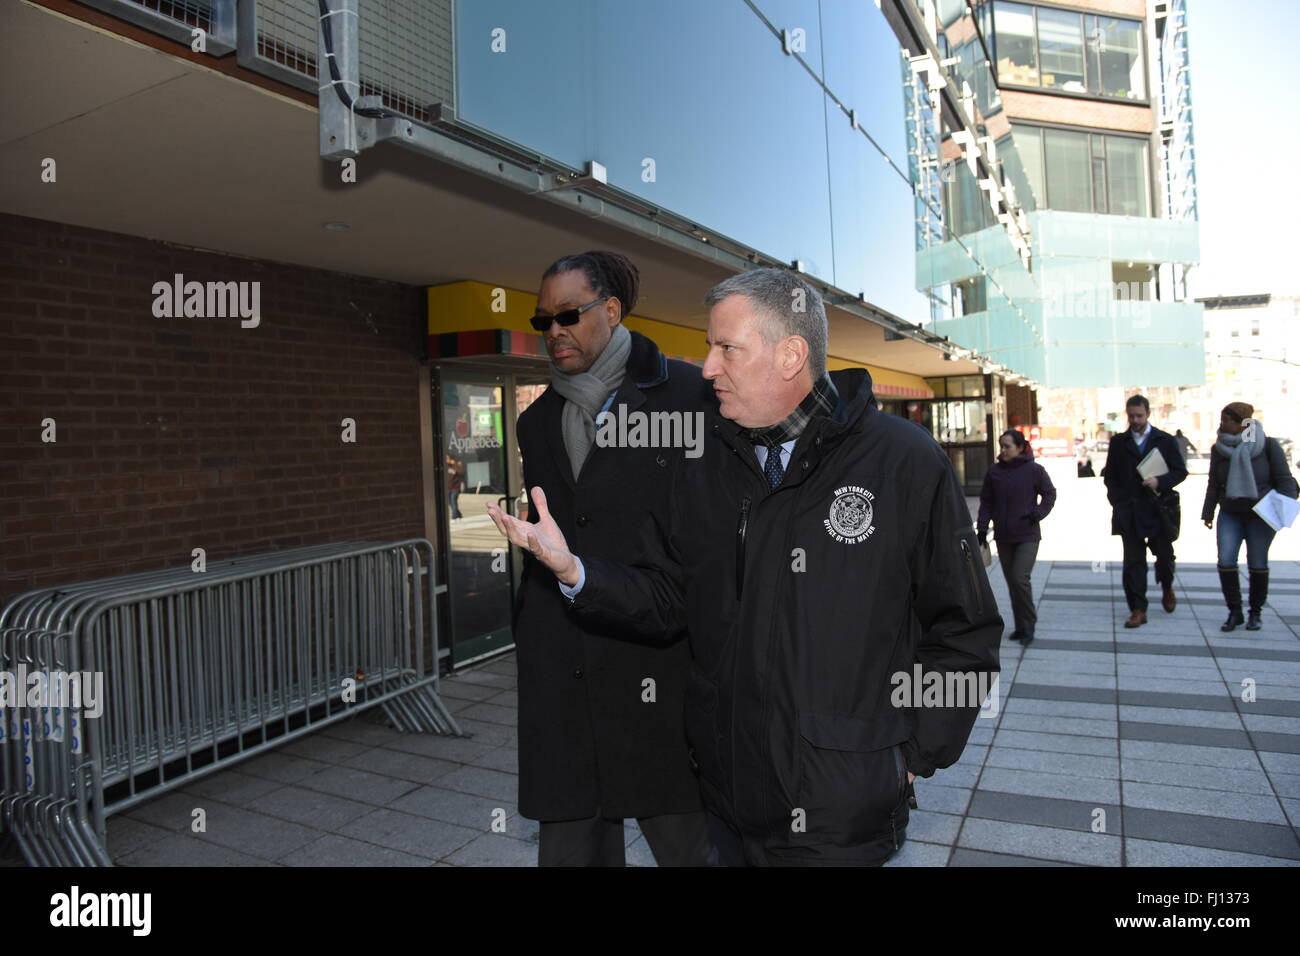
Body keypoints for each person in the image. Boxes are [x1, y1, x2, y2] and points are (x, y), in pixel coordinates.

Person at [489, 268, 1001, 866]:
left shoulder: (904, 463)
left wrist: (914, 754)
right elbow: (668, 597)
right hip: (726, 810)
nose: (707, 368)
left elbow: (964, 630)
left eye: (726, 348)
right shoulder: (708, 465)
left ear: (790, 355)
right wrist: (575, 571)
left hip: (843, 822)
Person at [510, 250, 710, 866]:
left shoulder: (688, 396)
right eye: (542, 320)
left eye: (567, 314)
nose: (553, 332)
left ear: (613, 310)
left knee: (691, 852)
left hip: (659, 668)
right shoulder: (538, 421)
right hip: (565, 674)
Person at [1202, 402, 1299, 631]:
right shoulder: (1219, 449)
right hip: (1230, 513)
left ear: (1242, 423)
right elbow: (1214, 482)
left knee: (1257, 563)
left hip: (1260, 515)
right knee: (1226, 561)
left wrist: (1283, 509)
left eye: (1227, 420)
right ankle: (1234, 611)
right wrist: (1208, 511)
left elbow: (1284, 479)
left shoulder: (1268, 445)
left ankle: (1255, 612)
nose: (1221, 424)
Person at [1102, 395, 1188, 629]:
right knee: (1133, 562)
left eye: (1139, 415)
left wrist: (1159, 481)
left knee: (1164, 556)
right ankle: (1138, 609)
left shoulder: (1165, 440)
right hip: (1129, 510)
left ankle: (1167, 585)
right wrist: (1117, 501)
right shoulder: (1119, 442)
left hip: (1159, 508)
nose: (1135, 420)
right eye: (1131, 416)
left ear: (1148, 414)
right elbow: (1110, 476)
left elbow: (1180, 471)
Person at [978, 430, 1056, 646]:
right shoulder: (994, 472)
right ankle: (1020, 626)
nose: (1002, 450)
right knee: (1012, 582)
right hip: (1003, 536)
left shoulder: (1034, 470)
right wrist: (982, 530)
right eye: (1001, 446)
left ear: (1021, 447)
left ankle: (1029, 624)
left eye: (1007, 446)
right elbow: (986, 502)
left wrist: (1038, 513)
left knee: (1020, 578)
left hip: (1027, 535)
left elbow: (1049, 493)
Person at [445, 453, 464, 519]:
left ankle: (454, 516)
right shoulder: (446, 466)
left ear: (451, 459)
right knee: (449, 502)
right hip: (448, 488)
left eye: (447, 458)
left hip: (455, 488)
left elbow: (461, 472)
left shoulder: (456, 465)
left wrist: (455, 463)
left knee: (453, 501)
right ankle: (458, 514)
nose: (446, 460)